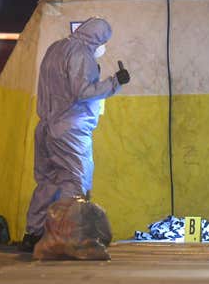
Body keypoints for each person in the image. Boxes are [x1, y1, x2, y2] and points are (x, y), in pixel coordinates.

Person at [19, 17, 130, 252]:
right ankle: (65, 238)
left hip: (47, 127)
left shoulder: (56, 48)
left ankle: (33, 234)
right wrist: (115, 82)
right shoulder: (81, 54)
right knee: (75, 182)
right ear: (98, 37)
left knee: (48, 182)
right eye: (104, 40)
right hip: (70, 129)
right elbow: (83, 92)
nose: (104, 46)